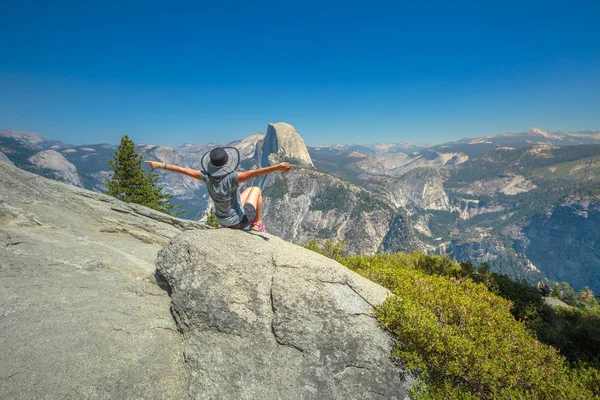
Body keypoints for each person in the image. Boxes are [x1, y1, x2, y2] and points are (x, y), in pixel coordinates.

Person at [145, 147, 291, 232]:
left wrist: (160, 165)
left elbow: (182, 170)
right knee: (257, 190)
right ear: (227, 163)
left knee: (248, 191)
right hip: (237, 222)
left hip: (221, 220)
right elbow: (258, 172)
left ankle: (252, 220)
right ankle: (257, 223)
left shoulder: (205, 176)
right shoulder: (234, 177)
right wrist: (277, 167)